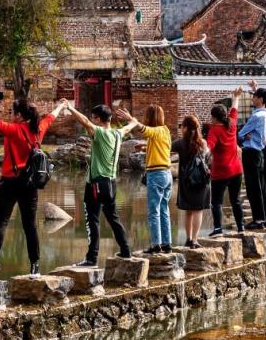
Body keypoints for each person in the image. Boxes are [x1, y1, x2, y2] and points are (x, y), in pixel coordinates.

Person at [0, 98, 67, 277]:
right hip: (30, 184)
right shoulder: (38, 130)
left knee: (1, 221)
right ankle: (35, 266)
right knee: (30, 225)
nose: (10, 116)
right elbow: (51, 117)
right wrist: (62, 105)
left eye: (12, 113)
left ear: (20, 115)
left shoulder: (14, 130)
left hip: (10, 182)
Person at [63, 101, 135, 266]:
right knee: (113, 218)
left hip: (95, 184)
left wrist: (70, 107)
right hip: (111, 183)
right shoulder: (118, 134)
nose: (91, 121)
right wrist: (131, 119)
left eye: (93, 118)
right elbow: (131, 126)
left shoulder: (100, 133)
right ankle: (125, 251)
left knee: (92, 220)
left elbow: (84, 122)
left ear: (99, 119)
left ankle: (91, 258)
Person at [114, 104, 173, 253]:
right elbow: (162, 147)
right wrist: (145, 148)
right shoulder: (165, 130)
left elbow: (144, 130)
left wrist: (131, 120)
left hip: (157, 174)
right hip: (167, 174)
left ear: (150, 117)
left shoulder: (156, 130)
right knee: (164, 209)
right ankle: (166, 243)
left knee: (154, 211)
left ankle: (155, 245)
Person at [206, 88, 245, 236]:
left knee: (216, 202)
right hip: (236, 170)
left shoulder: (214, 130)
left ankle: (217, 229)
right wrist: (236, 96)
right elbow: (234, 109)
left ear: (215, 118)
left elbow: (208, 147)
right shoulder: (232, 125)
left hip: (221, 172)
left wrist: (201, 151)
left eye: (211, 117)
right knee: (235, 200)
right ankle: (241, 227)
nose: (211, 120)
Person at [172, 114, 211, 249]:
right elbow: (206, 159)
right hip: (201, 181)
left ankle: (188, 239)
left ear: (186, 128)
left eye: (181, 126)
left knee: (188, 211)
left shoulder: (179, 143)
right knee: (198, 211)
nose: (181, 129)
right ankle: (195, 240)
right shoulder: (203, 143)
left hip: (186, 182)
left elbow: (165, 148)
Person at [237, 85, 266, 229]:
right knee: (261, 186)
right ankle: (265, 217)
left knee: (253, 187)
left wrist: (244, 135)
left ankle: (258, 220)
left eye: (255, 96)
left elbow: (240, 134)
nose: (252, 98)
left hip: (251, 152)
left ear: (260, 99)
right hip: (260, 153)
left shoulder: (256, 116)